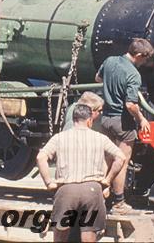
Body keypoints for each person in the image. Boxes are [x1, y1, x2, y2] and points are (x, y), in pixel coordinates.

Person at [37, 103, 126, 242]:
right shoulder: (100, 138)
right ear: (90, 120)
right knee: (88, 235)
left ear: (73, 120)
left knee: (60, 236)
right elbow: (121, 157)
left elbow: (40, 157)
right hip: (92, 191)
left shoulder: (59, 137)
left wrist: (48, 182)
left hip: (66, 190)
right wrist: (107, 180)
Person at [95, 38, 154, 214]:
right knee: (121, 160)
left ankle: (101, 197)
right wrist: (142, 119)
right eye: (144, 59)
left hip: (105, 119)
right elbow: (130, 105)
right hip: (122, 122)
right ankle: (119, 202)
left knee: (107, 159)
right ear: (138, 55)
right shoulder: (133, 74)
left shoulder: (110, 61)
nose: (144, 63)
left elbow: (97, 78)